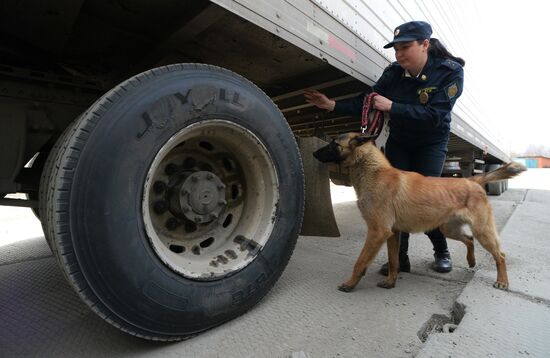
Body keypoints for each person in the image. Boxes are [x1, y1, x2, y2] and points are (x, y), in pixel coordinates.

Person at [304, 21, 464, 274]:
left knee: (427, 200)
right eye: (396, 49)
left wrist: (393, 107)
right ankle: (399, 260)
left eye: (405, 47)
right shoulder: (394, 73)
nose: (399, 54)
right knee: (393, 202)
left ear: (424, 44)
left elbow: (436, 114)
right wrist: (331, 105)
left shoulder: (449, 72)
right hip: (401, 140)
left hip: (431, 143)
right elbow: (368, 101)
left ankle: (441, 251)